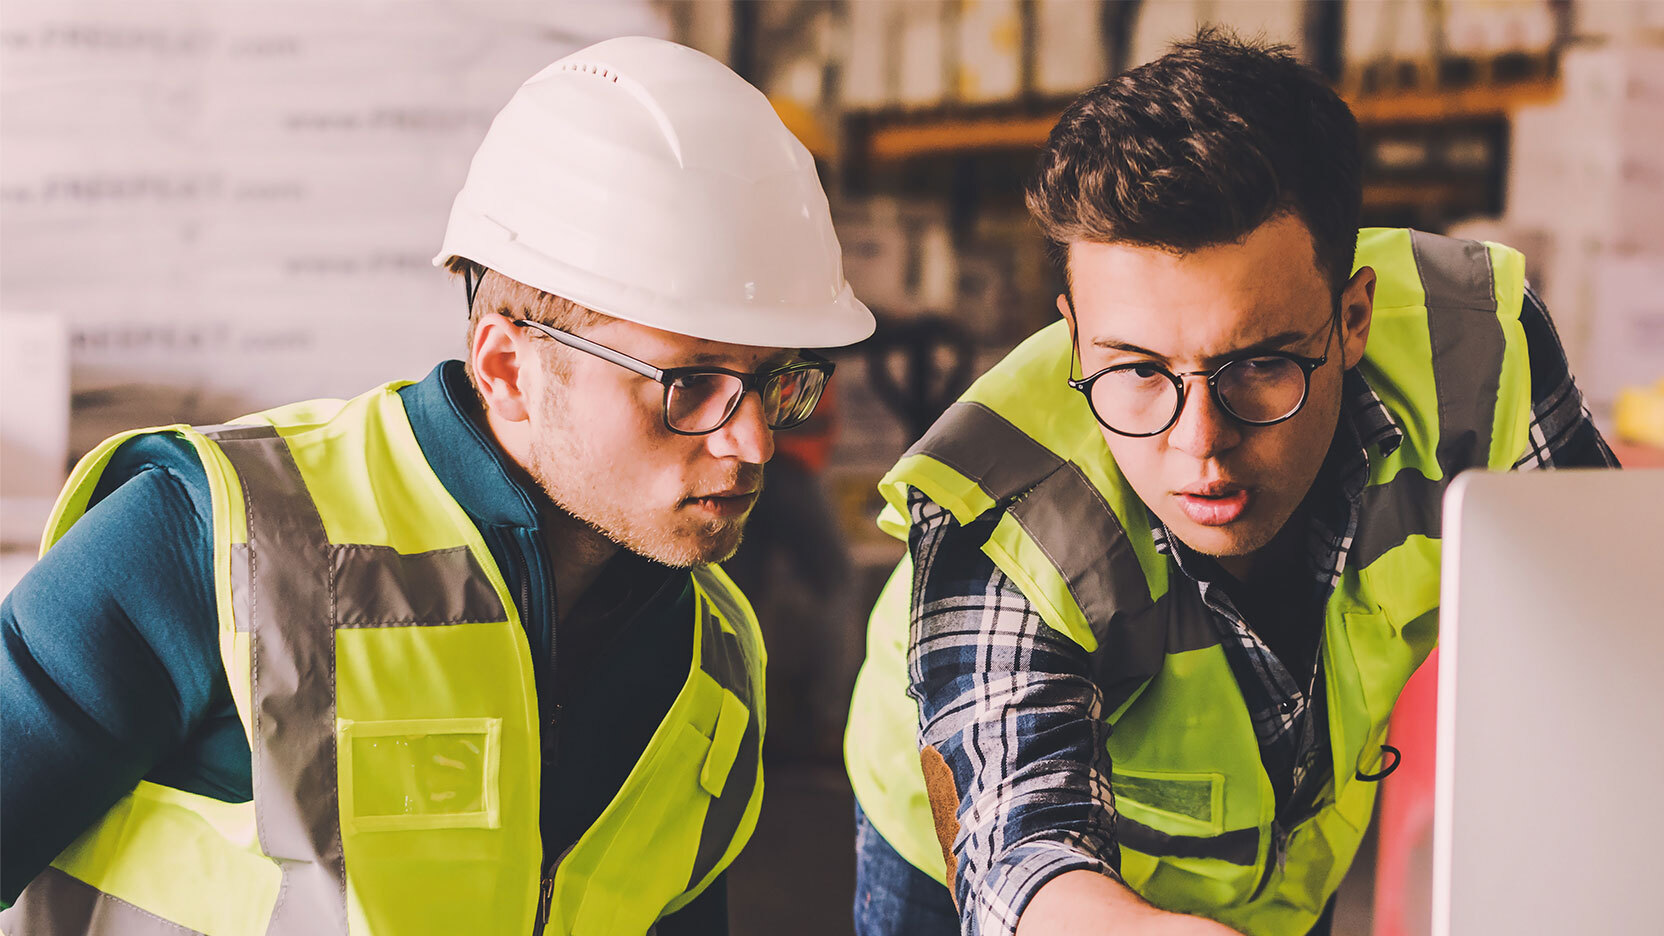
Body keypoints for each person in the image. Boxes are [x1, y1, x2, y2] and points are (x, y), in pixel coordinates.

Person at [0, 36, 873, 935]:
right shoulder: (216, 545)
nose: (755, 438)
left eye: (776, 380)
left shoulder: (714, 654)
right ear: (507, 368)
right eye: (691, 383)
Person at [844, 31, 1617, 936]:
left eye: (1260, 364)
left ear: (1353, 315)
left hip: (1287, 854)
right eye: (1135, 371)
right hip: (976, 864)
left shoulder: (1476, 354)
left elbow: (1608, 643)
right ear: (1075, 328)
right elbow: (1024, 862)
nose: (1199, 445)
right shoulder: (1002, 507)